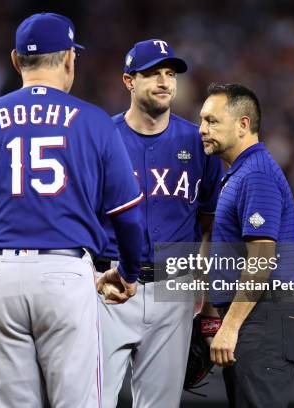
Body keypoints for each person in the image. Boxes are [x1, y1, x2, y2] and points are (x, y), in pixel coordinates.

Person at [0, 12, 144, 408]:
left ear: (16, 61)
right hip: (65, 274)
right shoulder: (94, 121)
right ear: (70, 58)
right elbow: (129, 216)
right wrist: (130, 271)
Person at [95, 39, 223, 408]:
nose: (165, 81)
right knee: (89, 399)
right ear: (128, 81)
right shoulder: (102, 137)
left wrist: (210, 304)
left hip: (174, 289)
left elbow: (211, 223)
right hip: (110, 287)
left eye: (170, 73)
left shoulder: (199, 142)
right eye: (152, 73)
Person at [199, 83, 294, 407]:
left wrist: (229, 327)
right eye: (202, 120)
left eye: (212, 121)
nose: (202, 129)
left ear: (243, 124)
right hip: (254, 319)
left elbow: (261, 259)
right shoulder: (238, 173)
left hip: (262, 320)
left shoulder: (256, 174)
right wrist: (213, 315)